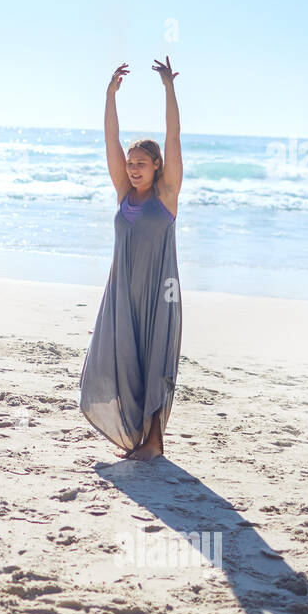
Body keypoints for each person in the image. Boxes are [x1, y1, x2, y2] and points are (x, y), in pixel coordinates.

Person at [79, 57, 183, 461]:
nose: (132, 168)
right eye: (130, 164)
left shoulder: (166, 194)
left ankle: (154, 443)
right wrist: (109, 97)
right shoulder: (124, 194)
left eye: (141, 164)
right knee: (122, 357)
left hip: (161, 290)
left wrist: (168, 89)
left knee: (156, 357)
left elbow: (174, 136)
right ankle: (139, 438)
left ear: (157, 166)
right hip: (122, 290)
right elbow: (110, 141)